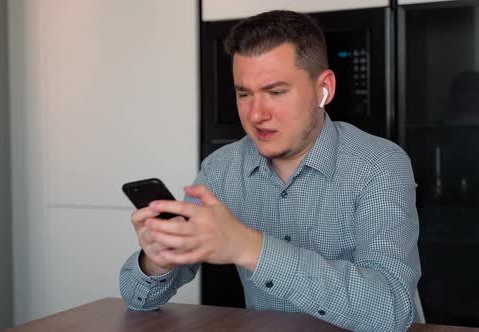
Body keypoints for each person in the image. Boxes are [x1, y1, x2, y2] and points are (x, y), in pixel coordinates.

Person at [119, 10, 421, 332]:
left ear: (325, 89)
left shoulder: (380, 164)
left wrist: (248, 246)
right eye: (243, 94)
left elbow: (391, 311)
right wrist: (158, 260)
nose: (256, 114)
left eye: (276, 92)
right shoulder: (221, 169)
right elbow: (138, 299)